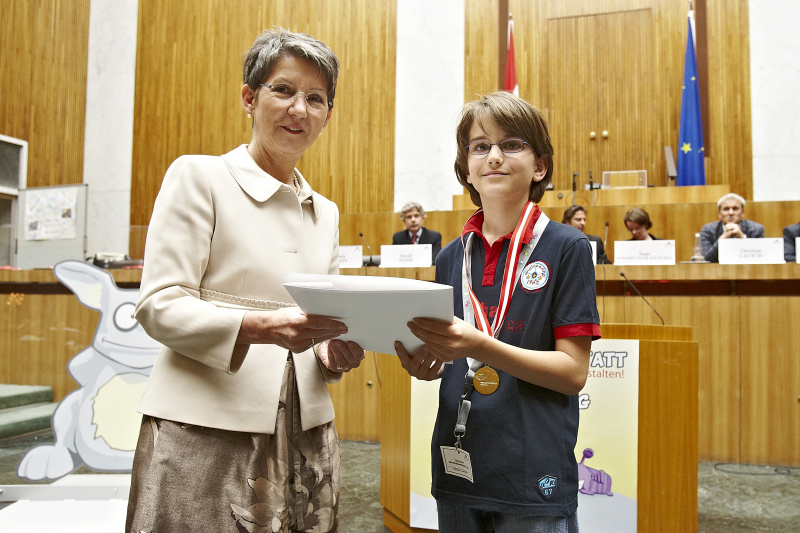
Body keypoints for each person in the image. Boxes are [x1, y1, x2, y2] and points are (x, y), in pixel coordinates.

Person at [125, 28, 365, 533]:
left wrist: (332, 352)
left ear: (327, 116)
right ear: (249, 99)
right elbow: (159, 304)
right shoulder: (200, 177)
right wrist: (261, 328)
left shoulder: (325, 212)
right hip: (205, 427)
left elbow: (325, 321)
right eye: (283, 90)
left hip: (307, 432)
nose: (299, 109)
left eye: (315, 98)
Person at [395, 91, 600, 532]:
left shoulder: (568, 247)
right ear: (466, 168)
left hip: (532, 470)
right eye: (480, 146)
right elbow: (451, 361)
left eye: (511, 144)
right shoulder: (451, 257)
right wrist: (427, 363)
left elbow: (572, 373)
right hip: (459, 463)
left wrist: (479, 345)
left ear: (539, 165)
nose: (493, 156)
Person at [700, 193, 765, 262]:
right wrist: (722, 239)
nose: (731, 213)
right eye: (726, 209)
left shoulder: (756, 229)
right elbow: (708, 259)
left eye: (735, 209)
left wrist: (742, 237)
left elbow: (759, 258)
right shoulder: (708, 230)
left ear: (742, 212)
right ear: (719, 213)